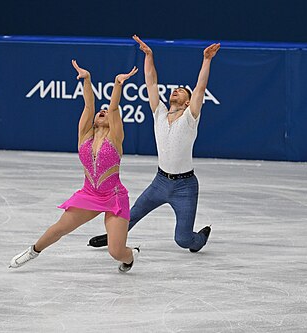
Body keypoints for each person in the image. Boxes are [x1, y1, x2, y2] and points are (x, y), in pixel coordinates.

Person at [88, 35, 220, 253]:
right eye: (174, 90)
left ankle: (200, 239)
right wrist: (149, 56)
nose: (175, 91)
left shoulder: (190, 118)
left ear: (188, 102)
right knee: (130, 215)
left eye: (181, 91)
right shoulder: (159, 113)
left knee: (183, 240)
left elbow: (200, 86)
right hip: (160, 182)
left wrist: (206, 60)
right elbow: (151, 81)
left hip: (185, 187)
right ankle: (113, 238)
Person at [9, 60, 140, 273]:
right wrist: (87, 79)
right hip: (89, 194)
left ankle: (130, 255)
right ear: (95, 120)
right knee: (60, 227)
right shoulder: (84, 137)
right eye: (101, 111)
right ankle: (33, 251)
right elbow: (89, 105)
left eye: (106, 112)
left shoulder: (115, 139)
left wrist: (118, 84)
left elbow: (114, 107)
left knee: (116, 251)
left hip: (114, 196)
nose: (103, 111)